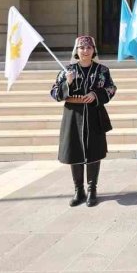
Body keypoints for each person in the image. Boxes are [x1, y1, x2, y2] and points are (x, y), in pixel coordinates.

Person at [50, 35, 116, 207]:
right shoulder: (67, 70)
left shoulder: (102, 70)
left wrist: (95, 95)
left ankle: (92, 189)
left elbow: (111, 88)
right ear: (76, 51)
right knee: (75, 151)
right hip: (73, 115)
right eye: (81, 48)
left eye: (88, 48)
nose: (85, 51)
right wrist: (68, 83)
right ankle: (78, 190)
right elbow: (54, 93)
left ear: (93, 50)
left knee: (94, 150)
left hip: (94, 114)